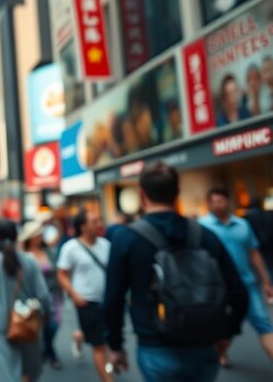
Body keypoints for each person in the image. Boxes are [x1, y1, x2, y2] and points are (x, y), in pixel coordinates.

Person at [105, 163, 249, 381]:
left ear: (142, 195)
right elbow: (239, 292)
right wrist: (227, 333)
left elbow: (113, 299)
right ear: (177, 194)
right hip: (204, 342)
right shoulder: (205, 235)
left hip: (155, 345)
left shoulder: (126, 239)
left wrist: (115, 345)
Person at [199, 188, 273, 364]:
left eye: (221, 200)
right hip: (217, 288)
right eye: (214, 201)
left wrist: (266, 281)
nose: (218, 205)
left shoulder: (242, 225)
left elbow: (254, 253)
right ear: (209, 203)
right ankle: (222, 353)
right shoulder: (202, 227)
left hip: (246, 285)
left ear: (228, 201)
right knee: (223, 326)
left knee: (263, 323)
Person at [0, 220, 51, 382]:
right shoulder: (30, 261)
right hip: (29, 318)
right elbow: (43, 294)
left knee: (7, 367)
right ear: (17, 235)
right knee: (32, 366)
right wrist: (47, 314)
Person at [57, 209, 112, 382]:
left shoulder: (106, 244)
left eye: (99, 220)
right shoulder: (71, 247)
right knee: (100, 345)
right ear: (83, 226)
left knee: (109, 340)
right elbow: (62, 274)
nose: (99, 224)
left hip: (109, 301)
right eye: (94, 221)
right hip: (87, 302)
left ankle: (109, 367)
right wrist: (74, 295)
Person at [20, 215, 63, 369]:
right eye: (37, 234)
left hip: (54, 294)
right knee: (41, 326)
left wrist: (54, 222)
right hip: (35, 298)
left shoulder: (48, 250)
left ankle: (48, 350)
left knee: (54, 325)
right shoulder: (24, 254)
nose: (40, 236)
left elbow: (59, 235)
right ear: (31, 237)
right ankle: (50, 353)